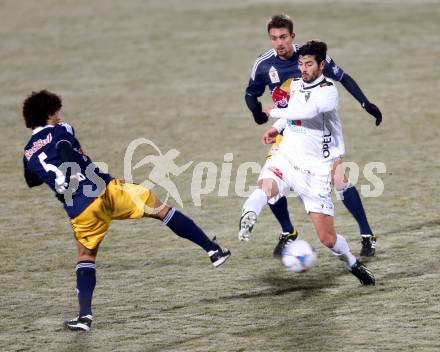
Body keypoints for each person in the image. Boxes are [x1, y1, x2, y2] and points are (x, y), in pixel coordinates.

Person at [22, 90, 231, 332]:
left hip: (79, 208)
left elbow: (31, 181)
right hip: (105, 189)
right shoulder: (62, 129)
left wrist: (52, 173)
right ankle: (213, 250)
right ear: (50, 113)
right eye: (56, 112)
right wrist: (70, 168)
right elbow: (64, 146)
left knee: (86, 257)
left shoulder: (27, 153)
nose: (59, 116)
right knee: (162, 210)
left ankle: (85, 317)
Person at [239, 40, 375, 285]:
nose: (303, 69)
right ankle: (248, 216)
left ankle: (353, 262)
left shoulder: (328, 90)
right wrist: (276, 128)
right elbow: (293, 113)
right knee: (266, 185)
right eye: (301, 64)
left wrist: (274, 112)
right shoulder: (296, 85)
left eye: (309, 64)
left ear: (321, 65)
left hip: (316, 170)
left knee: (328, 239)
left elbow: (307, 112)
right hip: (288, 156)